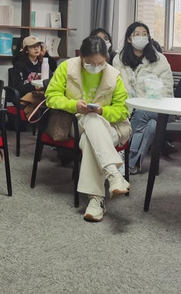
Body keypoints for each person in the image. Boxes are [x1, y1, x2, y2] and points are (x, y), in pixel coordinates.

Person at [45, 36, 131, 223]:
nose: (96, 67)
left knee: (90, 133)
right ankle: (113, 174)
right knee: (91, 121)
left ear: (106, 58)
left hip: (110, 128)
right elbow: (51, 97)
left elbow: (123, 110)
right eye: (90, 63)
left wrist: (102, 111)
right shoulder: (67, 68)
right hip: (74, 124)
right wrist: (73, 105)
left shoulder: (114, 75)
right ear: (81, 57)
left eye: (100, 63)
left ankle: (96, 200)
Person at [113, 22, 173, 174]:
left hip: (157, 107)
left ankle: (125, 159)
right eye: (137, 34)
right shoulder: (119, 59)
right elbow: (116, 86)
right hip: (128, 107)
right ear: (129, 39)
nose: (141, 37)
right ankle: (132, 164)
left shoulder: (159, 59)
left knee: (142, 113)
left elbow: (167, 89)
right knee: (151, 125)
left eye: (145, 34)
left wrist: (150, 101)